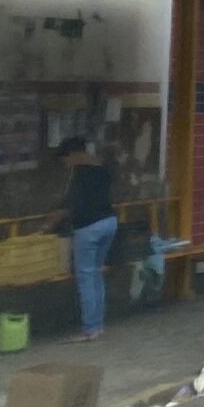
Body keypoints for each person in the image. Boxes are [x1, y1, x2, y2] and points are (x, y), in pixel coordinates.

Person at [46, 138, 116, 342]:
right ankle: (98, 325)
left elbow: (70, 205)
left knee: (85, 276)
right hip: (109, 222)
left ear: (75, 154)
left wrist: (48, 223)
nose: (65, 164)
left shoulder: (79, 173)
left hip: (89, 228)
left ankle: (89, 329)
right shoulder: (103, 168)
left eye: (65, 159)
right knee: (96, 274)